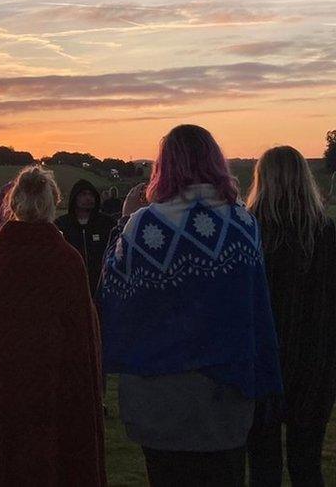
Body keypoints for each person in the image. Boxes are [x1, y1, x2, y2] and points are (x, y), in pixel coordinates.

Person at [98, 125, 283, 486]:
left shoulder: (142, 225)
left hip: (158, 395)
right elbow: (257, 308)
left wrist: (124, 220)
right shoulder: (244, 223)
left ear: (164, 167)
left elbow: (112, 297)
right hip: (227, 393)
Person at [0, 166, 106, 486]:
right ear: (53, 203)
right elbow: (81, 333)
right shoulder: (66, 258)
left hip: (2, 383)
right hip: (55, 386)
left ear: (14, 204)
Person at [245, 146, 336, 487]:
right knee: (307, 463)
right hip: (315, 363)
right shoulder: (325, 234)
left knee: (263, 465)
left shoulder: (249, 232)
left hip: (262, 362)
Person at [54, 179, 116, 293]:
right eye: (83, 194)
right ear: (74, 197)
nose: (88, 198)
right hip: (72, 288)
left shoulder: (107, 223)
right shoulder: (61, 225)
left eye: (91, 194)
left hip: (102, 287)